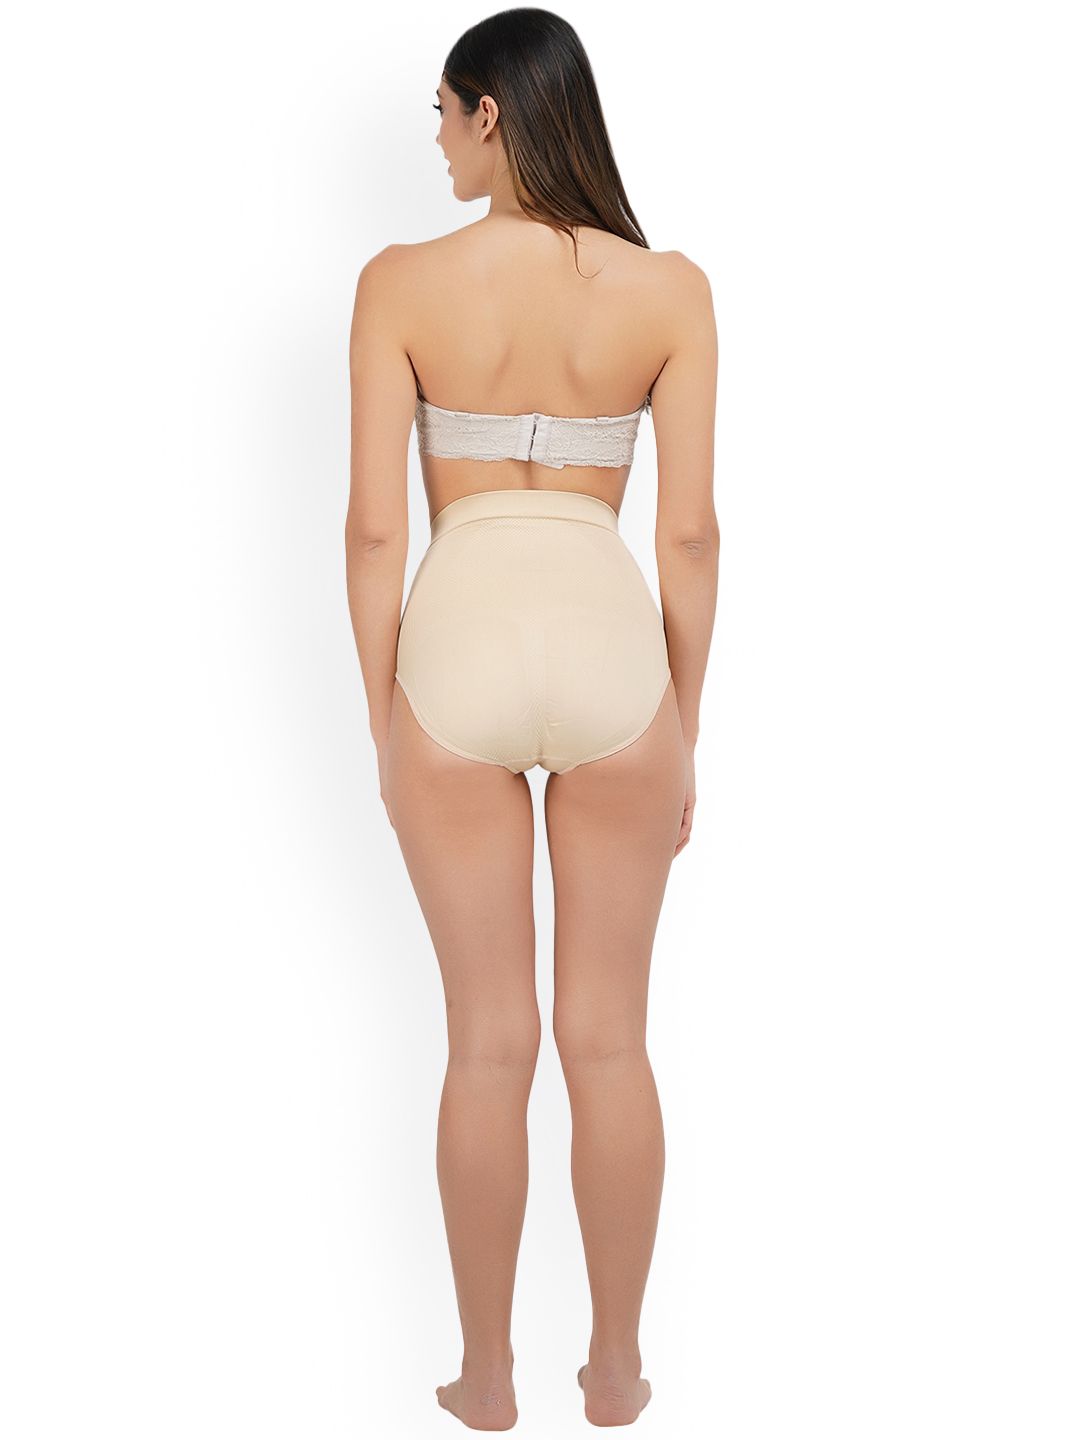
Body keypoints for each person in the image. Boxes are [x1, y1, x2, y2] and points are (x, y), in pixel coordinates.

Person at [345, 9, 718, 1429]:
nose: (438, 141)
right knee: (610, 1041)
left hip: (456, 645)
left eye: (445, 115)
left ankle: (488, 1374)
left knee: (487, 1045)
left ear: (491, 114)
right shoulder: (669, 290)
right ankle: (616, 1369)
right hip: (615, 650)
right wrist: (684, 720)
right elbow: (690, 536)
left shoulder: (400, 283)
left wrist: (385, 716)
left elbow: (375, 532)